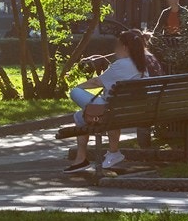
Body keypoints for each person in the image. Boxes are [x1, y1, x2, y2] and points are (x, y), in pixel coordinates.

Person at [65, 28, 162, 174]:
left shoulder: (122, 65)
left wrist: (78, 87)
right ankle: (111, 153)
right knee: (89, 113)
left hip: (115, 112)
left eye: (117, 45)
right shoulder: (145, 63)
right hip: (134, 111)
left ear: (124, 47)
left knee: (79, 109)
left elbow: (97, 81)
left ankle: (83, 158)